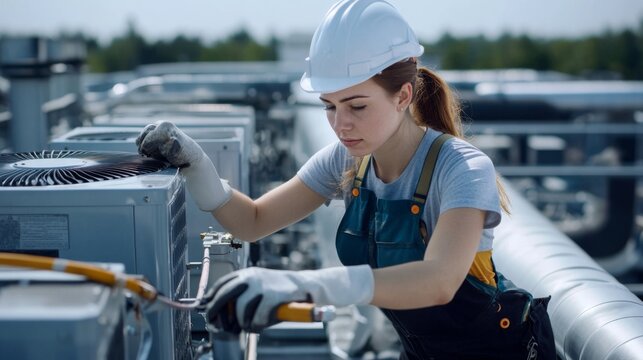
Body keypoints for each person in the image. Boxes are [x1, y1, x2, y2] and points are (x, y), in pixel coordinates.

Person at [136, 0, 556, 358]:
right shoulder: (348, 160)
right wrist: (198, 168)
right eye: (330, 106)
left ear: (403, 96)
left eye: (357, 105)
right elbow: (254, 221)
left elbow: (440, 281)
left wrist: (306, 285)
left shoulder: (462, 168)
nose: (341, 125)